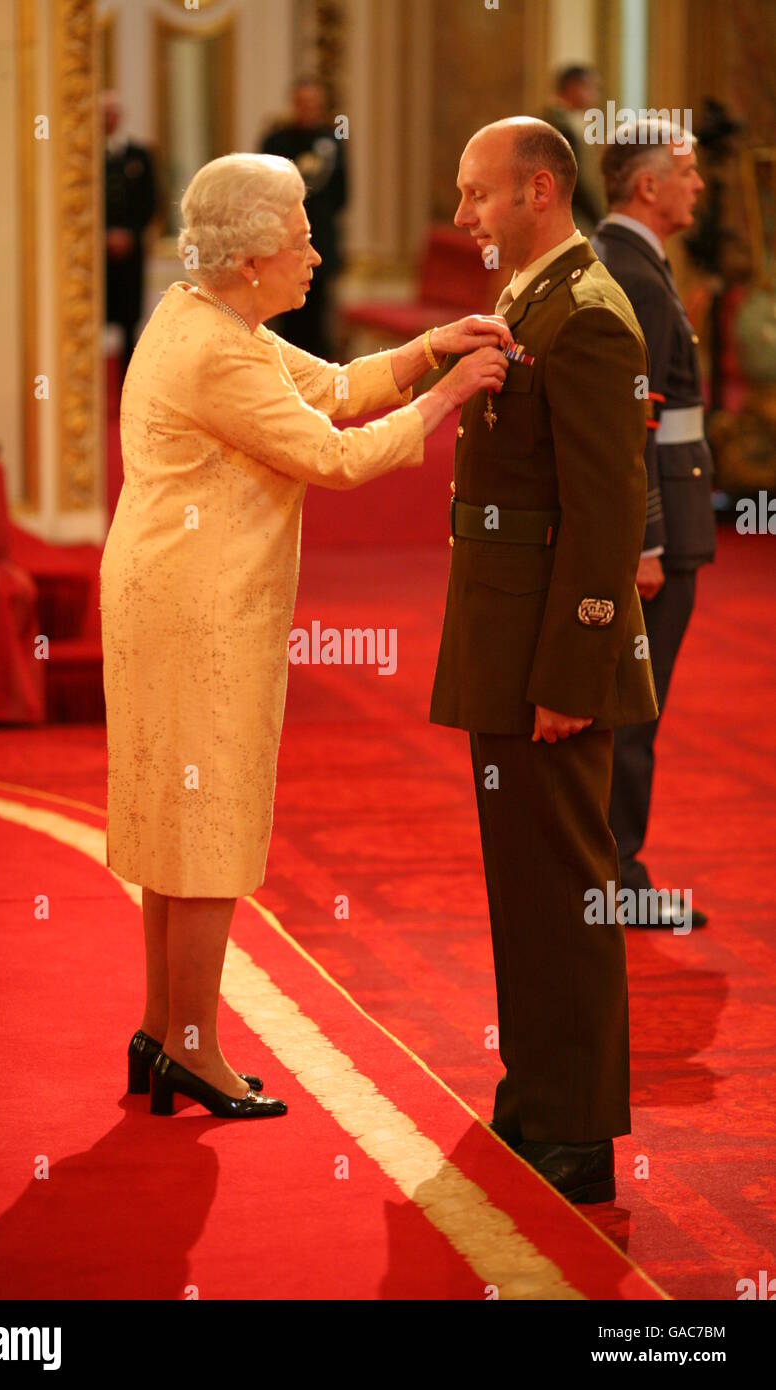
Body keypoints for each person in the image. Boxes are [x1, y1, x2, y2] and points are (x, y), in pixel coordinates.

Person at [99, 152, 511, 1121]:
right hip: (197, 610)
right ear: (249, 261)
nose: (318, 256)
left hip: (171, 594)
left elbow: (327, 387)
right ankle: (191, 1047)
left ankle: (164, 1031)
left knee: (176, 820)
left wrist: (426, 350)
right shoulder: (217, 346)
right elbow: (330, 455)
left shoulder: (205, 317)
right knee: (203, 826)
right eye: (301, 240)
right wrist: (447, 398)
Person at [429, 118, 658, 1203]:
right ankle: (534, 1093)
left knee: (568, 892)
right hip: (504, 645)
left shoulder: (588, 315)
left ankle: (575, 1131)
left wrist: (573, 676)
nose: (463, 215)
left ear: (536, 188)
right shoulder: (528, 296)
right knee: (525, 890)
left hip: (550, 665)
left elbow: (605, 520)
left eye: (476, 195)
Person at [591, 119, 715, 928]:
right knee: (634, 710)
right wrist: (646, 540)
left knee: (635, 707)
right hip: (658, 536)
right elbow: (629, 422)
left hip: (666, 524)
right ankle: (617, 879)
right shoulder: (632, 272)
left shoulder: (635, 262)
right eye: (688, 171)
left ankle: (612, 872)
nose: (698, 185)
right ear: (648, 187)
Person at [261, 78, 347, 358]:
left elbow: (343, 195)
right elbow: (264, 191)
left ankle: (320, 381)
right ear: (293, 104)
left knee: (319, 318)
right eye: (302, 103)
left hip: (321, 241)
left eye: (313, 103)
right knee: (287, 315)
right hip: (282, 244)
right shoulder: (276, 141)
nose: (308, 108)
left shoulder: (334, 141)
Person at [102, 91, 158, 370]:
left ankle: (128, 383)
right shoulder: (83, 157)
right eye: (103, 113)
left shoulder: (140, 156)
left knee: (129, 322)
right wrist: (103, 236)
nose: (108, 118)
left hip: (131, 252)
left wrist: (128, 234)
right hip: (96, 256)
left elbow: (150, 202)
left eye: (112, 112)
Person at [541, 65, 607, 236]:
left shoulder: (568, 121)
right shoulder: (559, 125)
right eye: (591, 88)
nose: (595, 96)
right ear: (574, 87)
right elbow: (573, 178)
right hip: (564, 213)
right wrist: (597, 217)